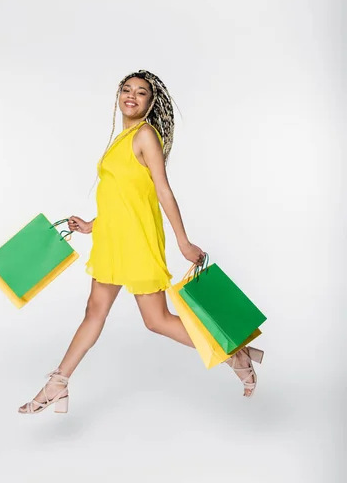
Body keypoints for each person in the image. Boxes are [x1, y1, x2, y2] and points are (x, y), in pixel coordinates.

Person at [18, 69, 264, 414]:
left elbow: (162, 190)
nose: (132, 96)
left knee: (157, 320)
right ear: (119, 95)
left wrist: (183, 241)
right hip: (111, 239)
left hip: (137, 242)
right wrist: (92, 224)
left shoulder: (146, 135)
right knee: (94, 312)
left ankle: (234, 354)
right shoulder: (122, 138)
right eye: (127, 89)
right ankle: (57, 384)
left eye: (141, 92)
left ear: (150, 103)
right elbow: (126, 197)